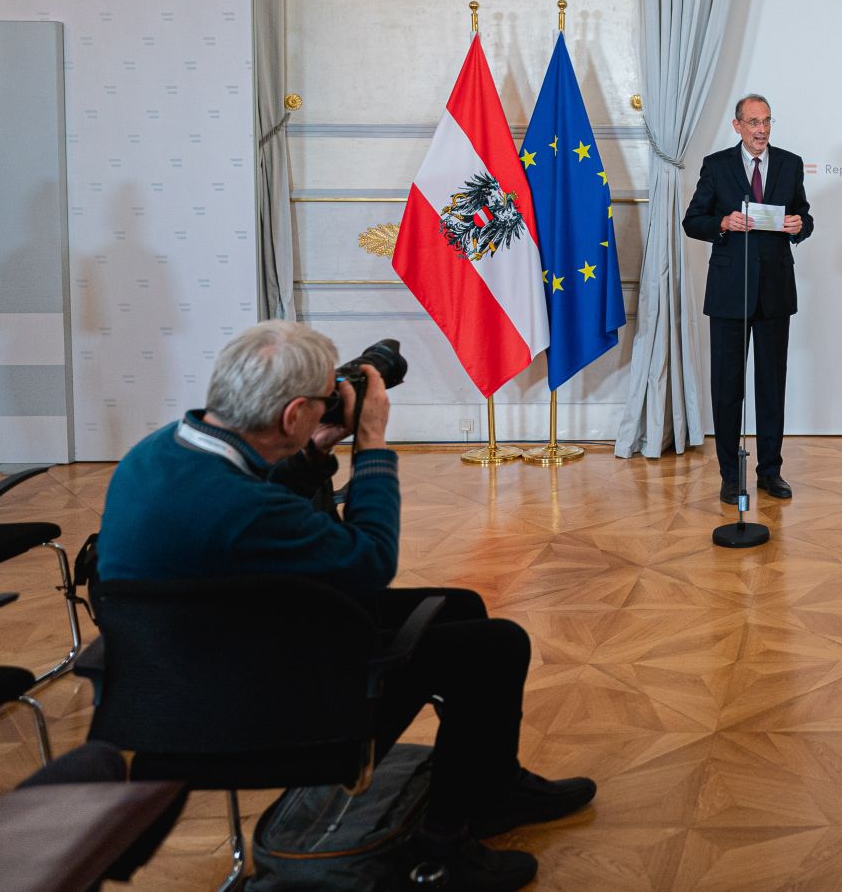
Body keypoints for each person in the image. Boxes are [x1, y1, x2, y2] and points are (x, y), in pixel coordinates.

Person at [99, 321, 595, 892]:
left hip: (179, 672)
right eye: (318, 402)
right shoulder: (245, 507)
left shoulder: (157, 452)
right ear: (291, 416)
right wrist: (373, 446)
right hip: (245, 708)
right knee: (494, 646)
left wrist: (310, 455)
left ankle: (491, 786)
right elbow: (369, 563)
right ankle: (440, 852)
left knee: (457, 605)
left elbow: (257, 519)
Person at [682, 93, 814, 503]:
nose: (761, 130)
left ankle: (770, 472)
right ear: (737, 125)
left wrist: (798, 225)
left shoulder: (790, 164)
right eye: (753, 123)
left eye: (767, 122)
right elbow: (693, 221)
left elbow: (805, 216)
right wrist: (722, 222)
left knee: (771, 386)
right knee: (727, 388)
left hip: (775, 291)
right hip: (728, 293)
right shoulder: (717, 165)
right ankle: (730, 474)